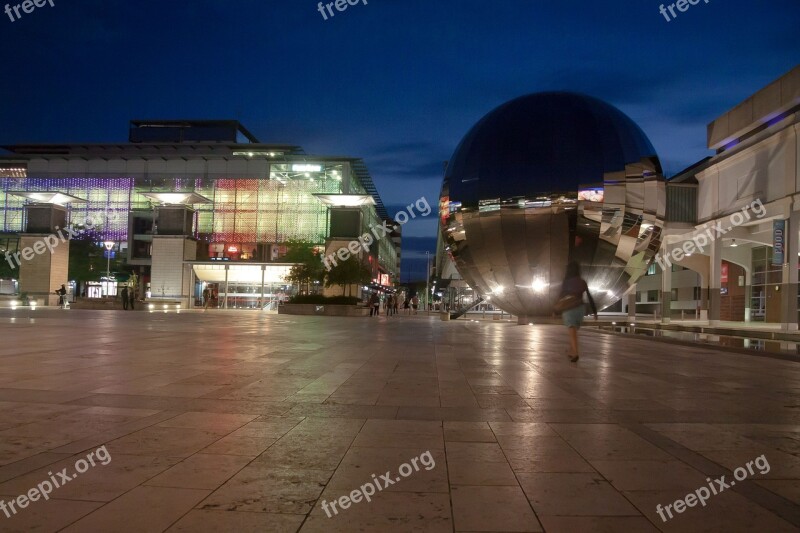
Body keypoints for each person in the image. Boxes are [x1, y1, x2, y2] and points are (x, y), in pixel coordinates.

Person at [559, 262, 597, 362]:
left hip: (569, 308)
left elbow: (561, 296)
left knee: (572, 331)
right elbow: (589, 296)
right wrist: (595, 312)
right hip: (580, 309)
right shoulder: (582, 282)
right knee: (573, 331)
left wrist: (555, 309)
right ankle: (572, 351)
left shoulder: (566, 282)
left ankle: (575, 353)